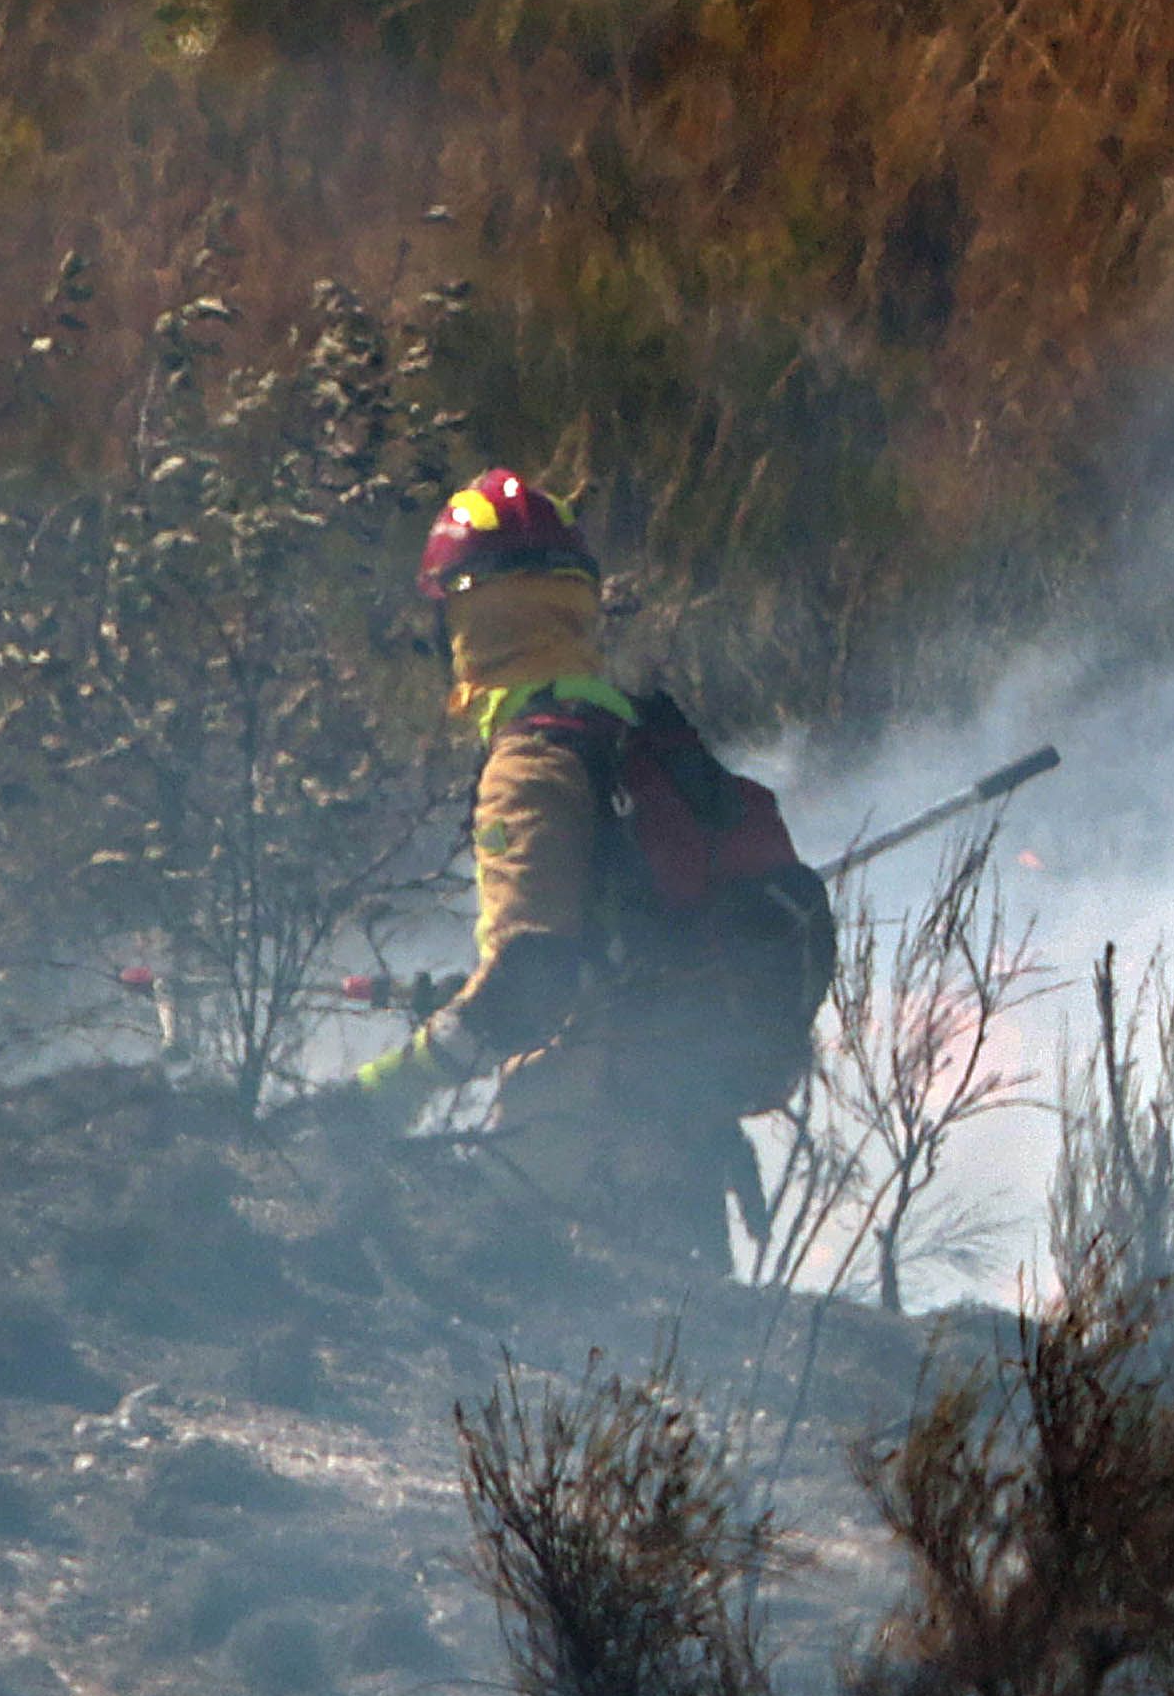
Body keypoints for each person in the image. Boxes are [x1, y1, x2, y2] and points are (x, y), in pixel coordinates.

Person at [340, 472, 831, 1270]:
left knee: (548, 1376)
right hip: (683, 1148)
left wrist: (385, 1089)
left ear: (462, 619)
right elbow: (624, 933)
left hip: (574, 1156)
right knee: (689, 1381)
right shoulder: (633, 733)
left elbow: (535, 973)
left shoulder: (532, 764)